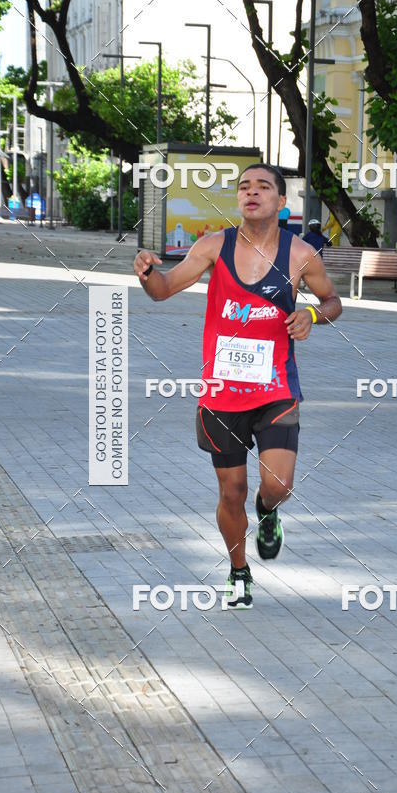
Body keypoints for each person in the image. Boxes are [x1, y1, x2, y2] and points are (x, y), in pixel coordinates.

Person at [134, 163, 342, 609]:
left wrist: (311, 315)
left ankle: (268, 511)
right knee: (232, 493)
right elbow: (163, 289)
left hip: (276, 389)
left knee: (278, 484)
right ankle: (239, 570)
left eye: (263, 187)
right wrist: (148, 272)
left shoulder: (300, 254)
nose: (252, 193)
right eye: (244, 186)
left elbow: (332, 301)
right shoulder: (213, 246)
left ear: (281, 201)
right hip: (222, 395)